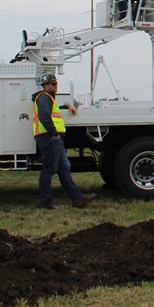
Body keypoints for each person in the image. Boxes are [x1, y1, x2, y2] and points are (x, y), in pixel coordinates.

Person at [32, 73, 96, 210]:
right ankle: (45, 202)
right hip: (50, 138)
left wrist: (67, 106)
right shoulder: (44, 97)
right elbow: (44, 115)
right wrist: (54, 133)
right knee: (49, 170)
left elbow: (52, 111)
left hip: (53, 139)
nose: (56, 86)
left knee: (64, 169)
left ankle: (77, 198)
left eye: (56, 83)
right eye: (54, 84)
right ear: (46, 85)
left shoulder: (48, 98)